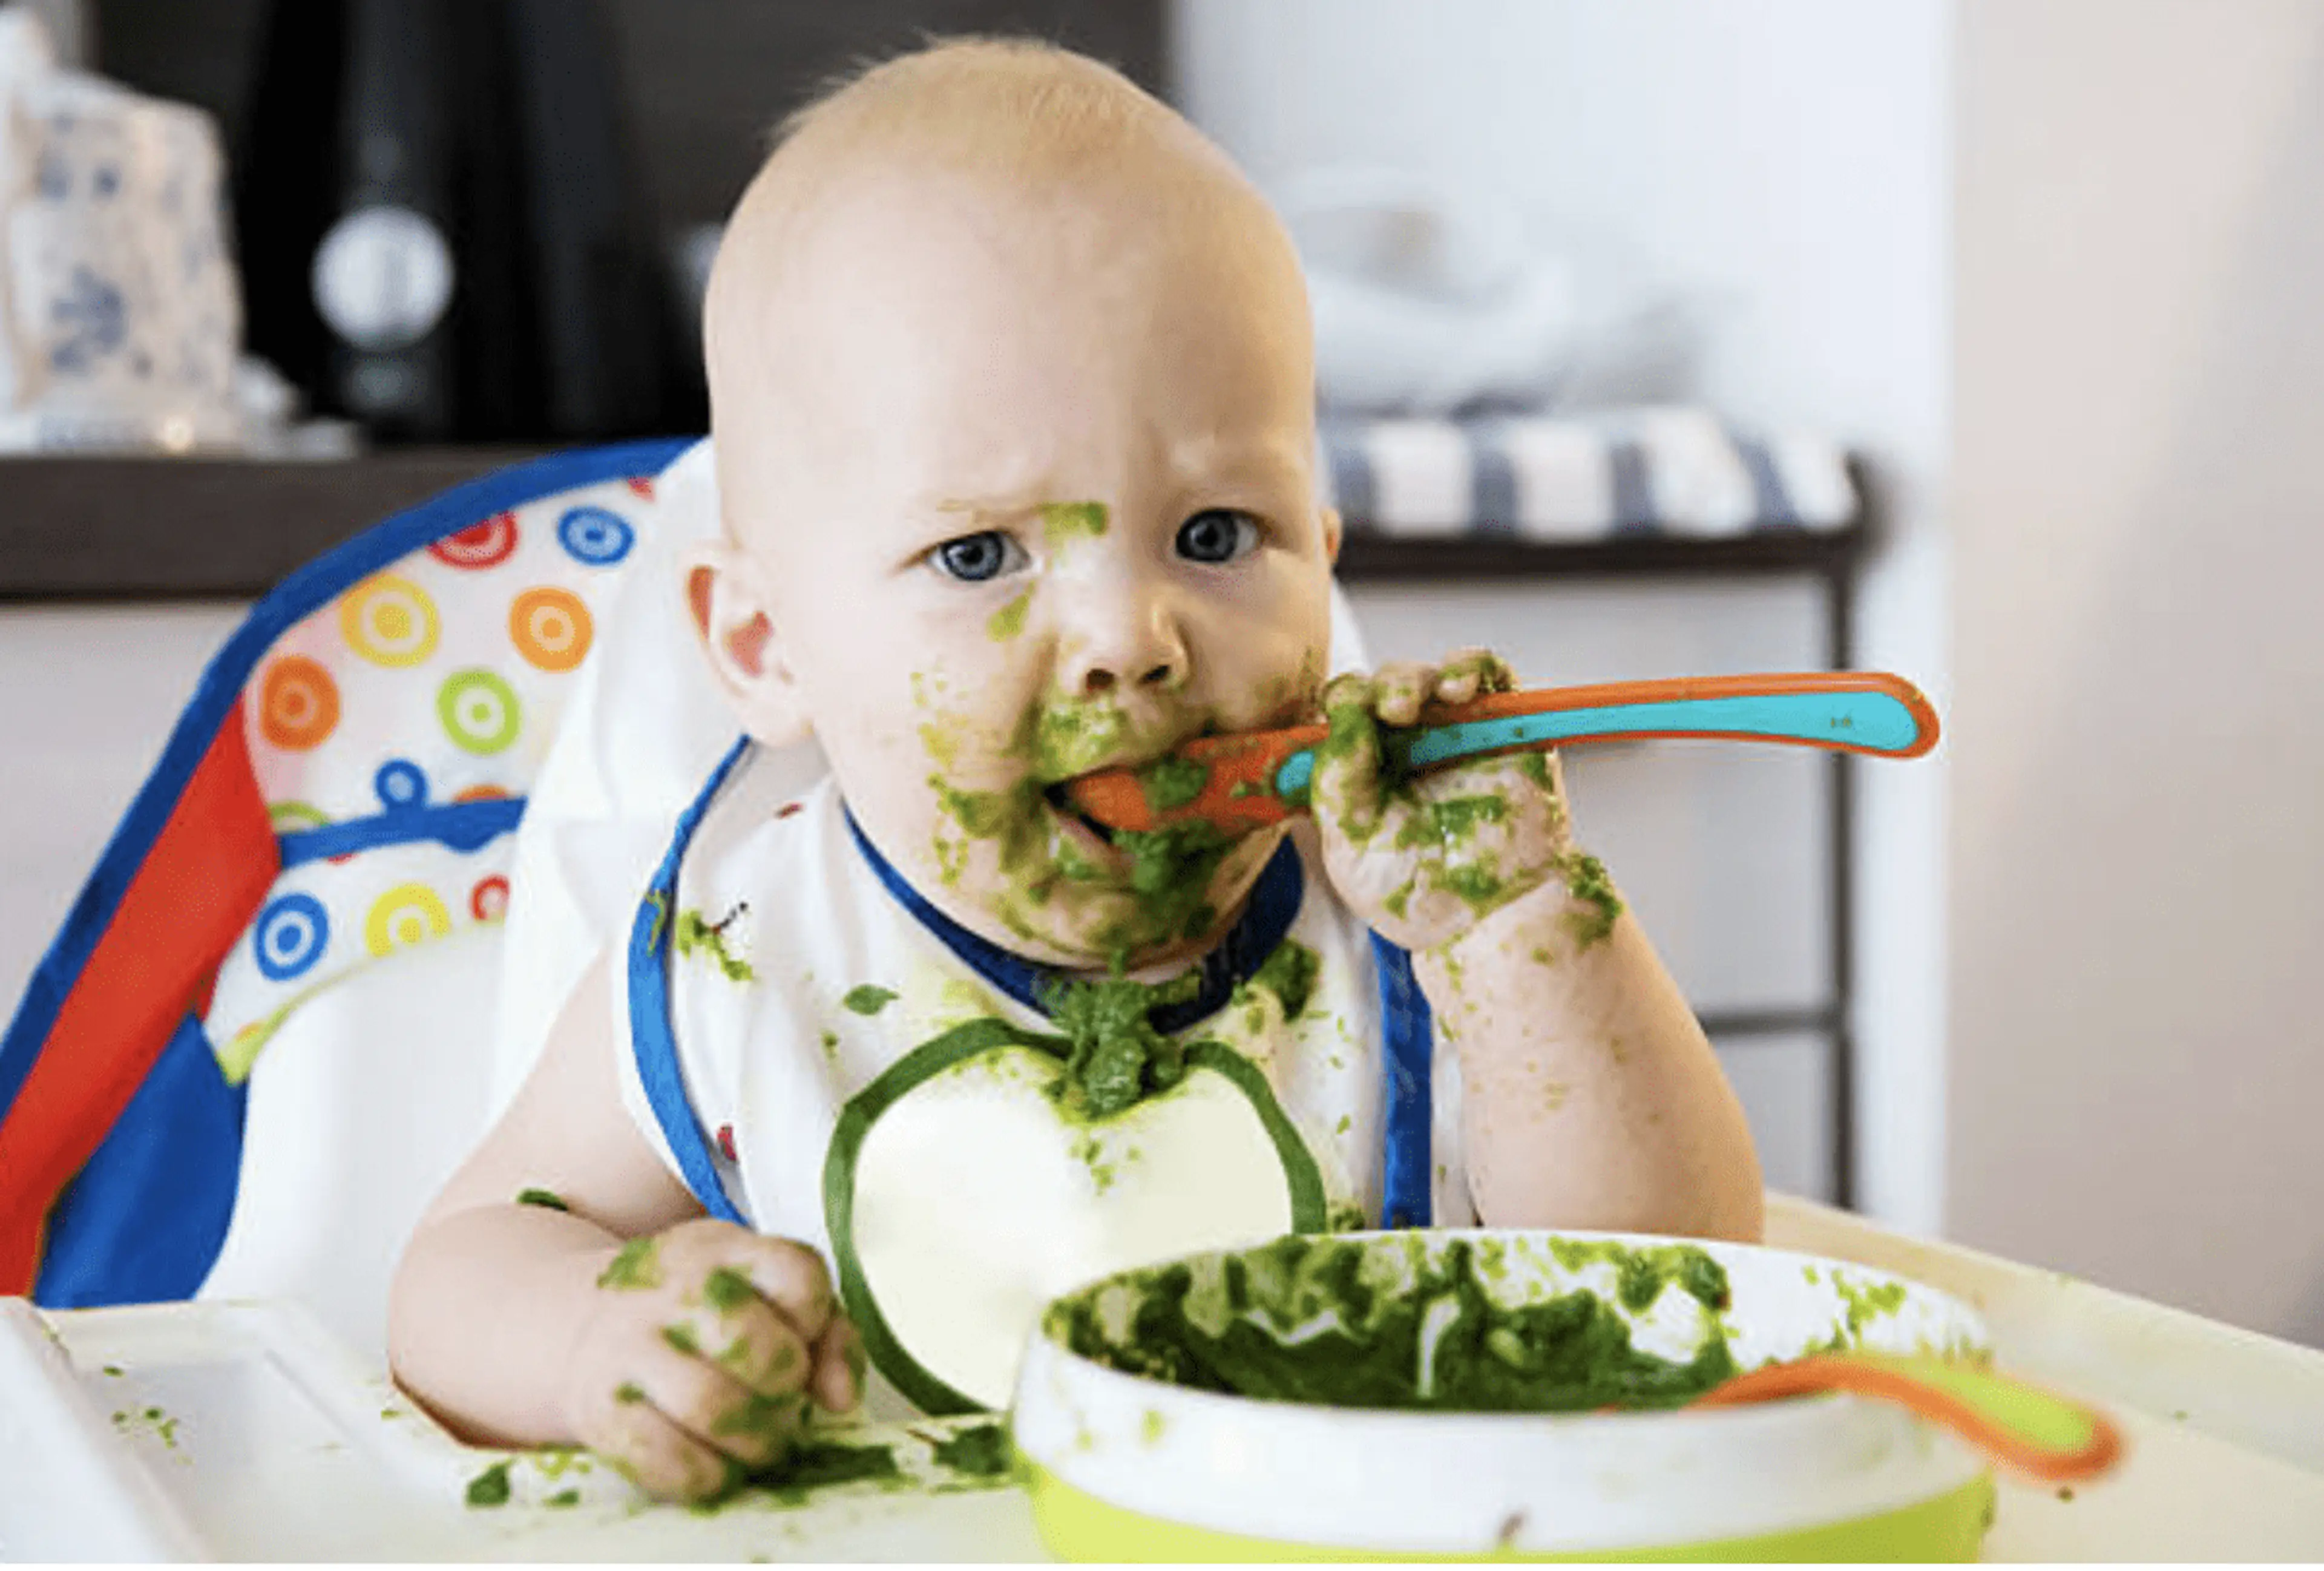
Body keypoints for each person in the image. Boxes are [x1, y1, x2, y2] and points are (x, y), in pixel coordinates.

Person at [387, 36, 1762, 1503]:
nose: (1129, 639)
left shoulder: (1409, 937)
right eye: (978, 553)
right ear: (766, 642)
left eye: (1220, 534)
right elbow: (461, 1270)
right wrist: (602, 1337)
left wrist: (1525, 936)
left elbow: (1681, 1285)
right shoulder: (738, 961)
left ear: (1326, 558)